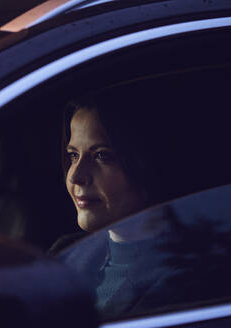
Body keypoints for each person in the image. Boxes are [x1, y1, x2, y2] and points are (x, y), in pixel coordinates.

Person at [51, 93, 176, 319]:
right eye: (73, 156)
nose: (76, 176)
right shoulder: (63, 254)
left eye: (101, 156)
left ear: (143, 162)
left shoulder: (182, 279)